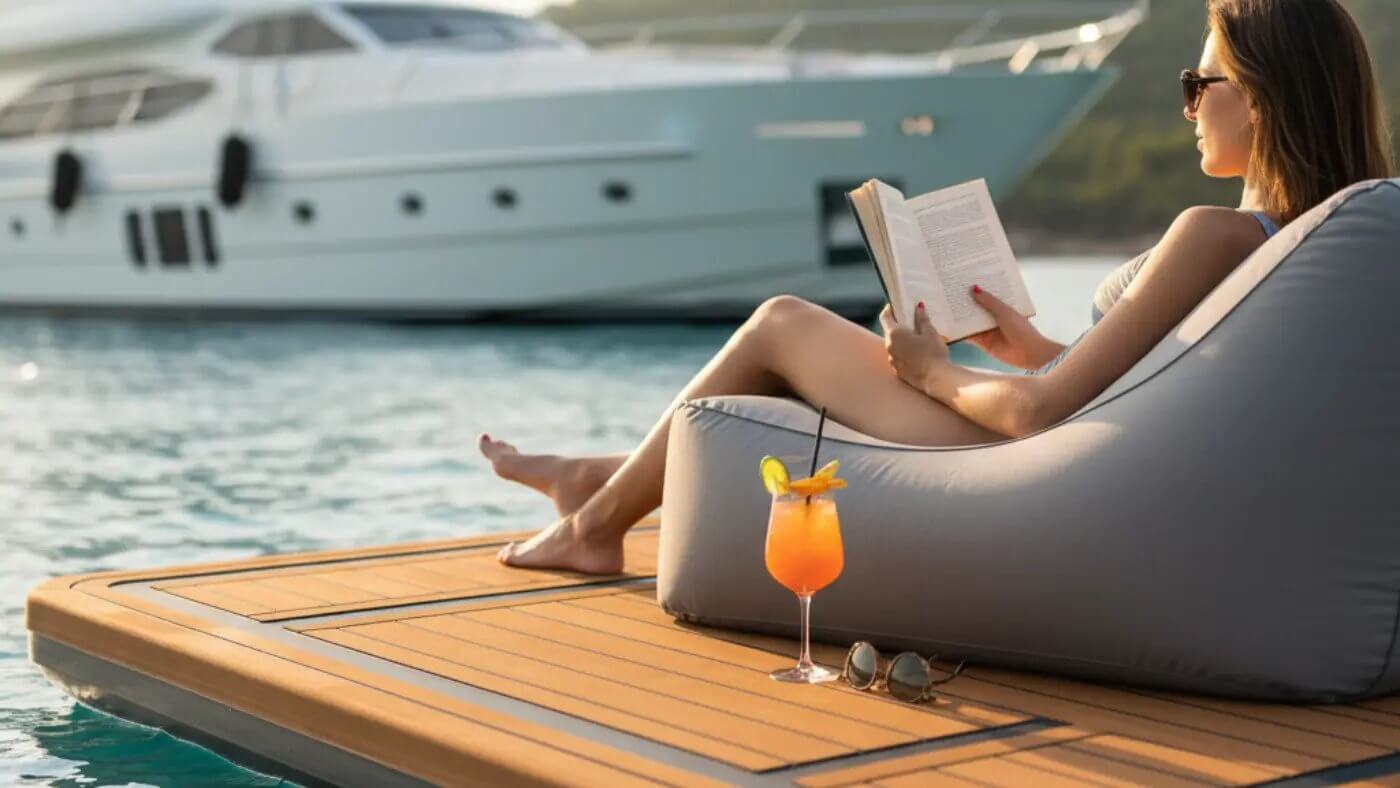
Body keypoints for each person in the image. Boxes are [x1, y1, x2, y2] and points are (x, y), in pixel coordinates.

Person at [480, 0, 1395, 575]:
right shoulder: (1314, 235)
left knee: (780, 326)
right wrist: (1034, 349)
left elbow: (1034, 415)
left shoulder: (1215, 234)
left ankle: (594, 525)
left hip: (1046, 461)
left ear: (1258, 95)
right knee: (793, 388)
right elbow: (1172, 380)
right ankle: (600, 483)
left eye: (1199, 83)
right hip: (1101, 451)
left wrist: (931, 370)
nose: (1187, 104)